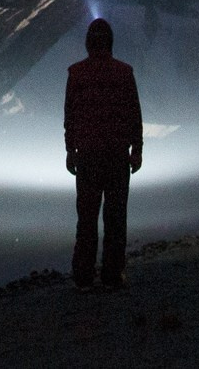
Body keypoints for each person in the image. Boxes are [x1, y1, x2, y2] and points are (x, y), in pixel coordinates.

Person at [62, 15, 143, 291]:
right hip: (117, 156)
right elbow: (134, 114)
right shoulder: (124, 72)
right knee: (115, 218)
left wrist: (70, 150)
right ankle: (112, 274)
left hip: (87, 157)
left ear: (87, 43)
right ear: (111, 42)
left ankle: (83, 275)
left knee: (86, 219)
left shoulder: (76, 74)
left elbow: (70, 117)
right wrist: (137, 150)